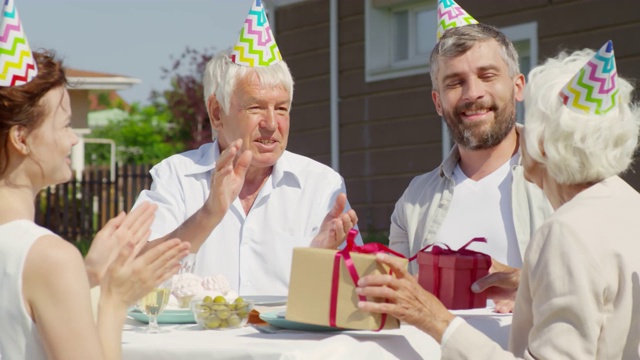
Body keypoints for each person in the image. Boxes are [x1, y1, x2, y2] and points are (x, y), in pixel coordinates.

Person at [358, 42, 640, 359]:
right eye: (455, 81)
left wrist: (439, 322)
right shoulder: (630, 206)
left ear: (545, 143)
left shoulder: (566, 229)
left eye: (532, 121)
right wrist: (532, 289)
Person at [134, 1, 358, 297]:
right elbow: (135, 274)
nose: (271, 123)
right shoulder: (176, 176)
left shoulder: (322, 184)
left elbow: (351, 295)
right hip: (197, 343)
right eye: (255, 107)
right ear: (216, 112)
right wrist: (208, 214)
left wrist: (318, 255)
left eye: (281, 109)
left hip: (287, 343)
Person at [0, 50, 190, 359]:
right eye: (64, 125)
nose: (73, 139)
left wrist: (86, 275)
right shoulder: (49, 257)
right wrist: (115, 300)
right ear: (21, 138)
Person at [388, 23, 552, 312]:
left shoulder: (566, 179)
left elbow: (613, 280)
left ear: (518, 86)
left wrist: (532, 288)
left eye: (487, 75)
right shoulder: (414, 200)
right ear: (438, 102)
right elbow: (395, 302)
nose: (472, 93)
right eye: (454, 82)